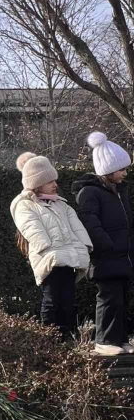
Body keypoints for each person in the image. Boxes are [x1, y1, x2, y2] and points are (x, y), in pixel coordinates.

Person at [11, 152, 92, 340]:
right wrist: (48, 248)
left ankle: (67, 340)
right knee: (52, 301)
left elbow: (77, 229)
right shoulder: (25, 205)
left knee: (68, 301)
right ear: (37, 184)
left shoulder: (61, 205)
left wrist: (83, 247)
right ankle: (49, 342)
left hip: (68, 258)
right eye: (50, 181)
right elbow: (31, 228)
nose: (55, 184)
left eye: (55, 180)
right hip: (48, 258)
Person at [73, 131, 134, 356]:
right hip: (106, 256)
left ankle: (120, 339)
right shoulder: (90, 193)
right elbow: (90, 223)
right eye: (121, 169)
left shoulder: (118, 191)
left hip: (122, 256)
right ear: (108, 170)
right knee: (108, 298)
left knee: (121, 298)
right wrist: (107, 246)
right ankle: (105, 340)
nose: (125, 173)